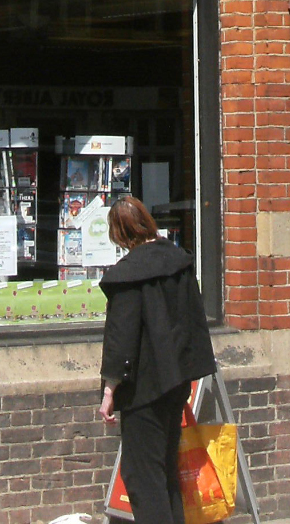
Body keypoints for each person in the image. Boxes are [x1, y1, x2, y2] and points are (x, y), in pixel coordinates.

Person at [98, 195, 217, 524]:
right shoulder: (178, 261)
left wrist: (109, 392)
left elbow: (120, 341)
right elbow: (192, 321)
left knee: (141, 476)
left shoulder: (128, 275)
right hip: (177, 382)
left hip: (144, 389)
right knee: (165, 472)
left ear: (121, 235)